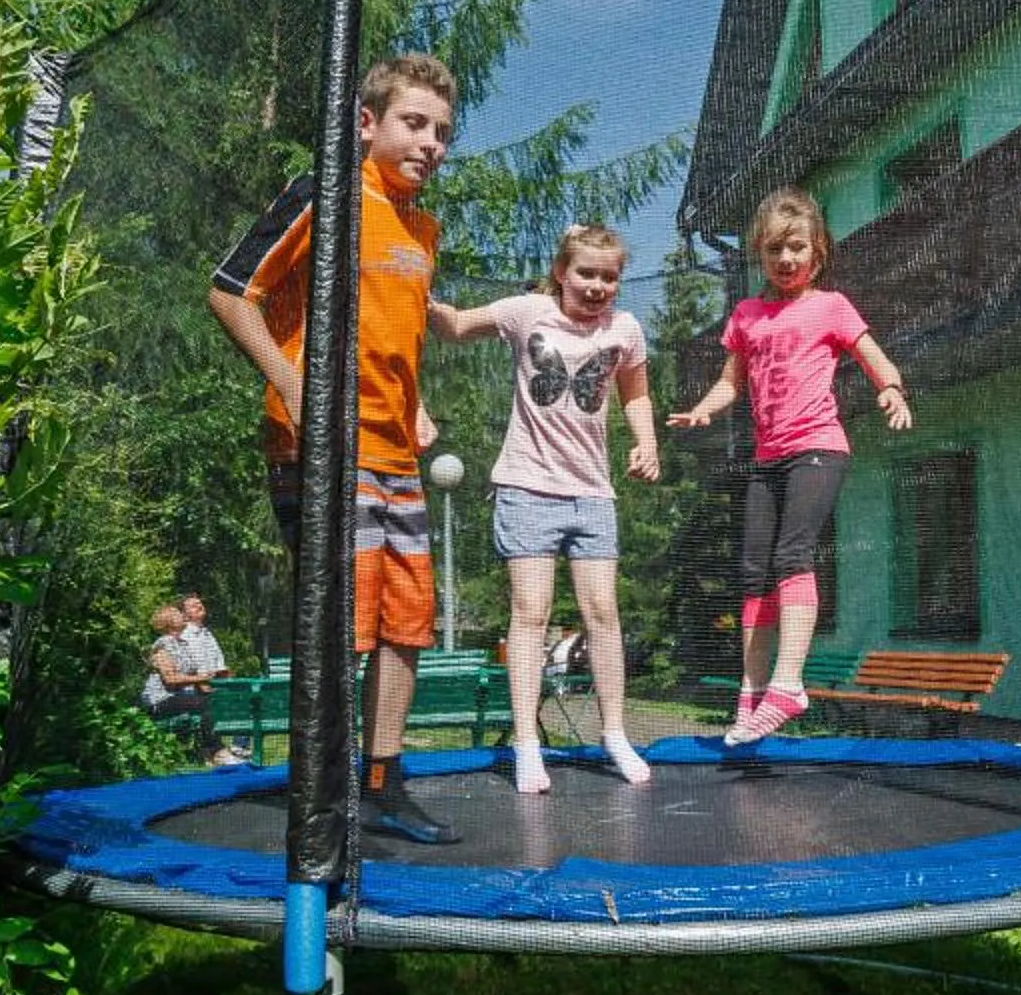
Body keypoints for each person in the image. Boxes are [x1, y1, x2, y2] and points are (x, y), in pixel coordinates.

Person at [207, 53, 462, 845]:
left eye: (444, 132)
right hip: (319, 450)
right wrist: (291, 384)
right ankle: (320, 787)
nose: (431, 143)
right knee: (337, 625)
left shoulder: (424, 227)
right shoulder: (327, 195)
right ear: (367, 124)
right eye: (414, 123)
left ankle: (383, 782)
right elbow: (229, 288)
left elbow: (396, 337)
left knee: (408, 624)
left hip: (395, 454)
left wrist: (416, 412)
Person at [667, 186, 912, 744]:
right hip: (768, 457)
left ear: (817, 251)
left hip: (818, 446)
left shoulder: (830, 307)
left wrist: (892, 391)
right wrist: (704, 410)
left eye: (797, 248)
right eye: (775, 250)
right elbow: (731, 381)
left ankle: (788, 686)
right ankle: (751, 697)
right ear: (761, 253)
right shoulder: (748, 315)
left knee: (791, 555)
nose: (786, 260)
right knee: (754, 573)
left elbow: (875, 358)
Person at [430, 224, 659, 795]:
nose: (598, 286)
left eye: (610, 277)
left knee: (602, 612)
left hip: (590, 493)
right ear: (562, 272)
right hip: (527, 487)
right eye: (586, 273)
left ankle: (614, 733)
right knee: (530, 612)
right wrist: (420, 295)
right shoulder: (526, 312)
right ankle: (528, 745)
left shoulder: (624, 329)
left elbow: (636, 392)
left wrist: (646, 442)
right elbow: (457, 327)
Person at [144, 593, 246, 766]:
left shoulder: (181, 644)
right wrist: (200, 678)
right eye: (177, 614)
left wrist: (215, 678)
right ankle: (215, 751)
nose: (182, 616)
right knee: (207, 703)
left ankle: (220, 750)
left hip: (180, 696)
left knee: (211, 700)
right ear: (169, 623)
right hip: (161, 699)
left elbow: (196, 672)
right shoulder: (163, 643)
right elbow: (170, 679)